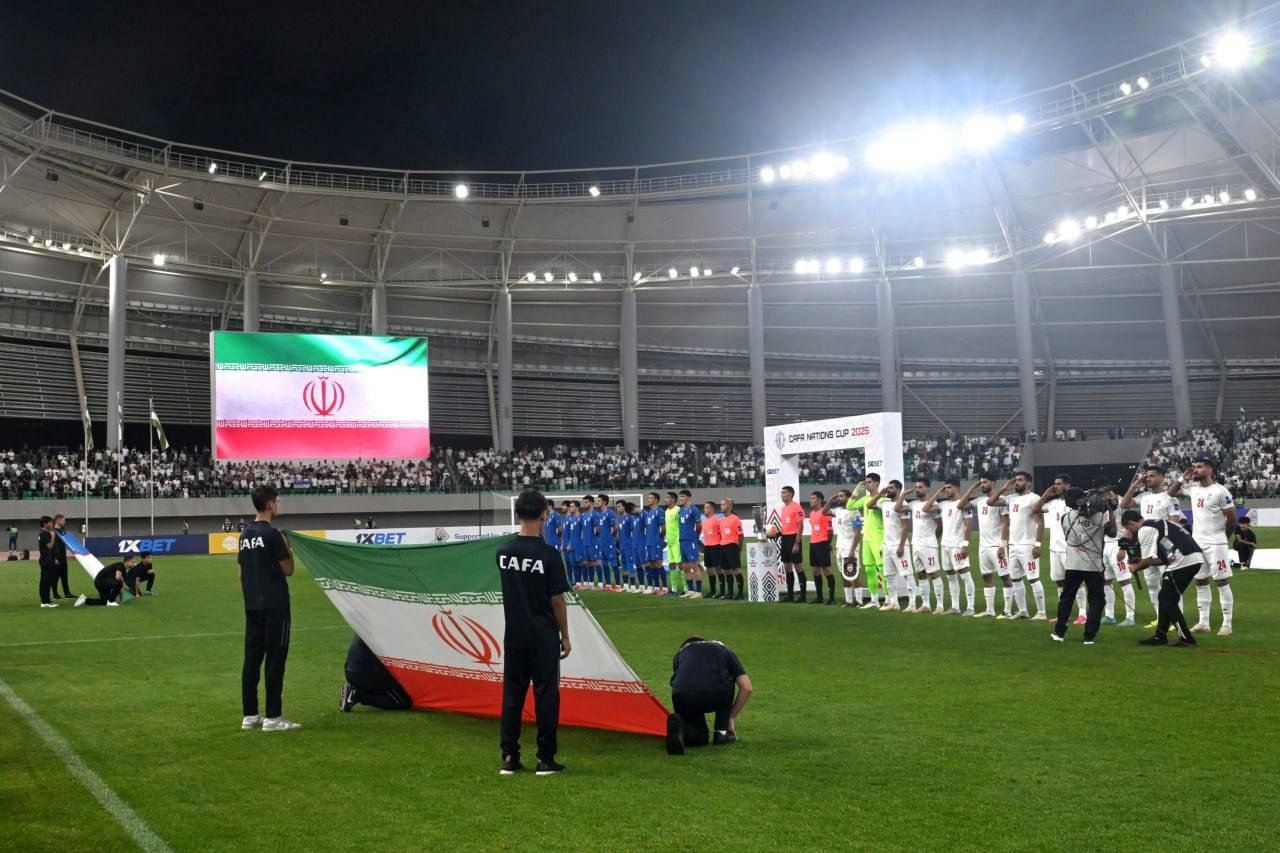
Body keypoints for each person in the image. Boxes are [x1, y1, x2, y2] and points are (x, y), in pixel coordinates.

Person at [498, 489, 571, 776]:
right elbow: (557, 600)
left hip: (514, 634)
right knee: (546, 696)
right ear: (544, 514)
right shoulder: (548, 555)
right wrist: (565, 635)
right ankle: (545, 758)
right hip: (542, 636)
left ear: (518, 513)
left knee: (512, 697)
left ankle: (509, 756)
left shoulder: (503, 552)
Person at [238, 485, 300, 732]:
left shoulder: (245, 535)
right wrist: (288, 548)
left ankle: (250, 715)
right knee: (275, 659)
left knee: (252, 660)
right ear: (270, 504)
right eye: (277, 501)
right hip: (275, 605)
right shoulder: (273, 535)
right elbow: (289, 570)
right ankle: (273, 717)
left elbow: (241, 574)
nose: (278, 505)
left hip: (252, 605)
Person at [1121, 510, 1204, 647]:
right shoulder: (1161, 523)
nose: (1130, 532)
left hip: (1182, 561)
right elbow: (1162, 559)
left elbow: (1147, 560)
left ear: (1131, 523)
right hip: (1192, 557)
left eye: (1128, 528)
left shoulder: (1145, 530)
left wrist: (1135, 567)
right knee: (1164, 597)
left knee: (1168, 600)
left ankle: (1186, 638)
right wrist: (1141, 563)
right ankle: (1160, 635)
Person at [666, 637, 753, 755]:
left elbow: (679, 680)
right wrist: (731, 716)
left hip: (683, 695)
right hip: (716, 693)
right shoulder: (723, 649)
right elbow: (746, 687)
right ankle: (721, 732)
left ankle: (683, 731)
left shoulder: (680, 654)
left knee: (699, 736)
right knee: (729, 677)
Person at [1050, 488, 1114, 645]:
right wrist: (1110, 510)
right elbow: (1112, 533)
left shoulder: (1066, 518)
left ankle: (1059, 632)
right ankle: (1089, 636)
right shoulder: (1099, 517)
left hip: (1073, 564)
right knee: (1096, 600)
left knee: (1066, 598)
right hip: (1094, 566)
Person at [1180, 459, 1236, 636]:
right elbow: (1172, 492)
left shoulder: (1220, 491)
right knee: (1200, 581)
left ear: (1210, 469)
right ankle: (1203, 622)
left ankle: (1227, 624)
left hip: (1216, 543)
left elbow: (1232, 518)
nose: (1195, 470)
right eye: (1194, 467)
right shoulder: (1193, 489)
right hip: (1197, 543)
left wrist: (1223, 537)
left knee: (1221, 581)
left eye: (1199, 466)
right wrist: (1183, 479)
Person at [1120, 465, 1181, 625]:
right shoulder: (1144, 497)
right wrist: (1135, 485)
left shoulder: (1170, 498)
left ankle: (1176, 620)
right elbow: (1124, 505)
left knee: (1170, 584)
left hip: (1164, 545)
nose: (1148, 478)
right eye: (1146, 476)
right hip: (1146, 545)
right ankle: (1160, 619)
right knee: (1152, 584)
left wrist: (1167, 542)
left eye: (1152, 476)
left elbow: (1175, 521)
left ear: (1162, 477)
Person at [989, 472, 1045, 620]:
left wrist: (1037, 544)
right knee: (1015, 579)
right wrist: (1003, 489)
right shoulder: (1011, 499)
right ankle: (1023, 610)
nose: (1016, 483)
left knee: (1033, 578)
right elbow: (990, 502)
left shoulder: (1034, 498)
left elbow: (1040, 523)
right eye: (1015, 480)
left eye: (1020, 480)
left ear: (1029, 483)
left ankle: (1041, 612)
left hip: (1027, 545)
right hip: (1013, 545)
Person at [1034, 475, 1086, 624]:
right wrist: (1046, 494)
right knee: (1059, 581)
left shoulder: (1076, 503)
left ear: (1067, 485)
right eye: (1055, 484)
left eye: (1059, 484)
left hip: (1071, 548)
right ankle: (1064, 613)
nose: (1056, 486)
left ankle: (1082, 613)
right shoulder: (1053, 503)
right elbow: (1035, 509)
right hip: (1054, 548)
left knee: (1076, 581)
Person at [924, 478, 974, 615]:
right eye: (945, 488)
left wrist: (965, 545)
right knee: (950, 577)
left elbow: (968, 526)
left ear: (957, 488)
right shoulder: (943, 504)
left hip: (957, 545)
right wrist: (937, 494)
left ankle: (970, 607)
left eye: (949, 487)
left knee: (965, 575)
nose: (946, 490)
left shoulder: (963, 504)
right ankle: (955, 607)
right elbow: (926, 508)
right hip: (945, 545)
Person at [963, 475, 1006, 618]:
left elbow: (1006, 523)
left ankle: (1008, 611)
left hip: (996, 545)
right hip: (983, 546)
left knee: (1005, 577)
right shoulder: (979, 501)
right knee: (986, 577)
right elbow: (961, 505)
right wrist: (972, 489)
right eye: (981, 483)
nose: (982, 485)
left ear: (993, 482)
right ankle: (990, 610)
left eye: (985, 482)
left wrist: (1002, 545)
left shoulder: (1001, 501)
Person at [903, 477, 945, 614]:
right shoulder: (914, 504)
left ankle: (940, 605)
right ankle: (926, 604)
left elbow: (940, 526)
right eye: (916, 487)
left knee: (933, 573)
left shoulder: (934, 505)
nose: (917, 490)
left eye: (920, 487)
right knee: (920, 574)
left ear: (927, 488)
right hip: (916, 544)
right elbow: (898, 508)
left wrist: (932, 538)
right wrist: (903, 494)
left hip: (928, 545)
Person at [871, 480, 913, 611]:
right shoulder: (884, 504)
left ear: (898, 490)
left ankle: (912, 604)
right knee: (889, 575)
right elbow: (869, 505)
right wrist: (879, 494)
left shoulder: (903, 505)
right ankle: (894, 603)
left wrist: (901, 545)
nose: (888, 490)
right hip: (887, 545)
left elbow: (906, 527)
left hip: (899, 545)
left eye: (891, 488)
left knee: (907, 574)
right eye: (887, 488)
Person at [340, 635, 411, 712]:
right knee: (402, 701)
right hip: (367, 674)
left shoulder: (369, 629)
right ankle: (357, 695)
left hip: (351, 672)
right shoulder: (387, 632)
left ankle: (356, 692)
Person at [848, 475, 887, 608]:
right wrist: (857, 489)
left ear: (877, 483)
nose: (867, 485)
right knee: (869, 570)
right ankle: (874, 600)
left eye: (869, 482)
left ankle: (889, 600)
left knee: (882, 569)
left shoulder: (884, 500)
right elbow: (850, 506)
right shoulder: (865, 499)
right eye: (866, 483)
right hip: (867, 539)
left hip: (879, 538)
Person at [778, 486, 806, 602]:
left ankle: (803, 596)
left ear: (790, 494)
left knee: (798, 566)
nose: (782, 495)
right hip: (785, 538)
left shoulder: (797, 507)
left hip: (793, 538)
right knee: (787, 567)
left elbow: (800, 526)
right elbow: (786, 526)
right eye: (782, 493)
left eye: (784, 493)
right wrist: (777, 533)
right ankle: (790, 595)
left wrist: (797, 543)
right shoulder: (784, 508)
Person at [806, 491, 835, 605]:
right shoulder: (812, 513)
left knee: (826, 570)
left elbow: (830, 531)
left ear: (819, 500)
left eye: (813, 498)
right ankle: (819, 597)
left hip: (822, 543)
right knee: (815, 571)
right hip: (813, 544)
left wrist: (828, 543)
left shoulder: (825, 513)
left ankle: (831, 598)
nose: (810, 500)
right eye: (810, 498)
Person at [676, 490, 703, 598]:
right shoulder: (680, 510)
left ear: (689, 497)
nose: (681, 498)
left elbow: (699, 525)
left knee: (695, 565)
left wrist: (695, 536)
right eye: (680, 496)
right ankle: (690, 590)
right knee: (685, 567)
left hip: (690, 540)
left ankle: (699, 592)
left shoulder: (694, 509)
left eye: (683, 496)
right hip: (682, 540)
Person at [718, 498, 744, 600]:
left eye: (723, 504)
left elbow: (740, 535)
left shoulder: (735, 519)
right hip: (723, 546)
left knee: (736, 570)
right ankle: (730, 593)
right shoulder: (721, 520)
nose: (721, 506)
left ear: (729, 506)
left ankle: (740, 593)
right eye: (721, 504)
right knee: (726, 570)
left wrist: (739, 548)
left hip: (732, 546)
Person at [700, 501, 723, 599]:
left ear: (712, 509)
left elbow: (721, 533)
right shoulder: (704, 522)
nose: (705, 509)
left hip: (716, 546)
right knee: (709, 569)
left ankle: (722, 592)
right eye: (704, 507)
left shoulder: (717, 521)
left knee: (718, 569)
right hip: (707, 547)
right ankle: (712, 591)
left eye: (707, 507)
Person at [37, 515, 59, 608]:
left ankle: (46, 600)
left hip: (48, 560)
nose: (52, 524)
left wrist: (55, 558)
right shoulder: (44, 534)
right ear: (45, 524)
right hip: (46, 561)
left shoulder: (45, 533)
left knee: (47, 581)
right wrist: (53, 536)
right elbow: (49, 546)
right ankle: (45, 601)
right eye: (50, 522)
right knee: (45, 581)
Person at [52, 514, 72, 599]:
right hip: (56, 557)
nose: (65, 522)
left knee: (64, 575)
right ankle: (55, 593)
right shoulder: (53, 531)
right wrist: (54, 557)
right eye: (63, 520)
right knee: (55, 576)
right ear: (58, 520)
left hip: (63, 556)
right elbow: (52, 546)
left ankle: (67, 593)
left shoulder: (63, 531)